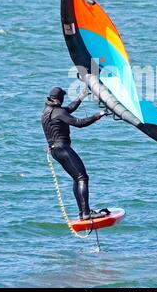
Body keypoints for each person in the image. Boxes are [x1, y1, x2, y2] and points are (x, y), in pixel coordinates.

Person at [41, 86, 108, 220]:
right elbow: (79, 123)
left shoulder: (47, 111)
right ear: (60, 99)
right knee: (83, 178)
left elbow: (69, 109)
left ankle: (83, 213)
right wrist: (97, 115)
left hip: (55, 151)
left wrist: (81, 97)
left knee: (77, 178)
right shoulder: (58, 112)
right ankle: (86, 212)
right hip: (63, 149)